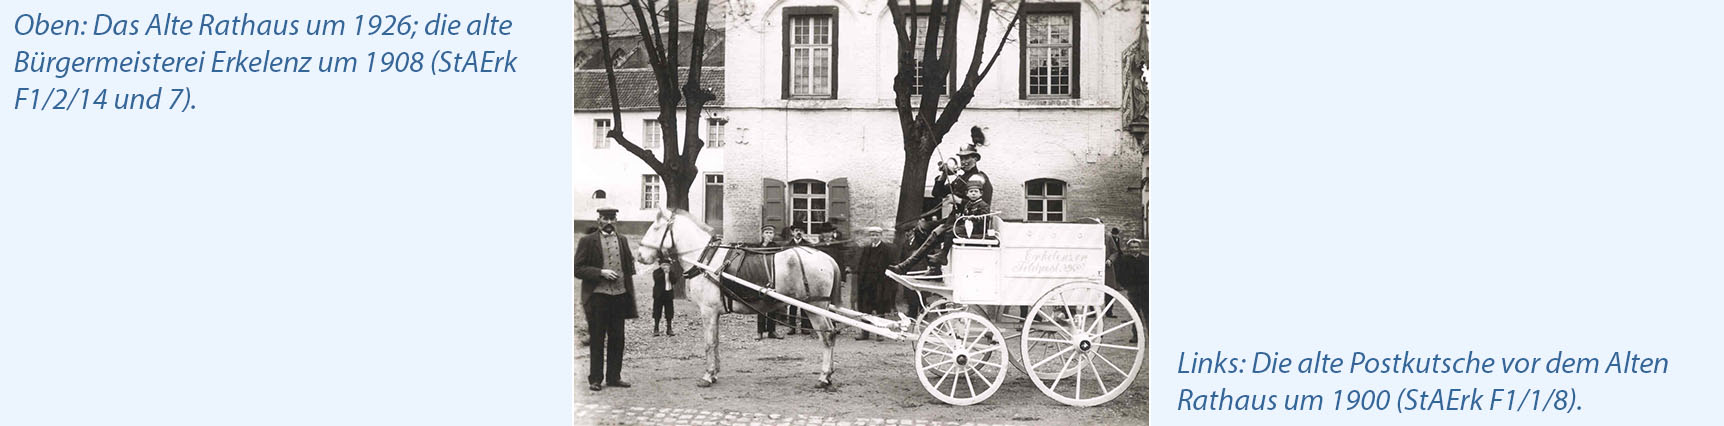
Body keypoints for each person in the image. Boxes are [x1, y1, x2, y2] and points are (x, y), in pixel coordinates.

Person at [573, 206, 638, 391]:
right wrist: (600, 272)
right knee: (597, 338)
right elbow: (577, 269)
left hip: (619, 296)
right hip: (597, 297)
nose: (609, 223)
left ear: (616, 221)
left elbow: (629, 266)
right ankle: (595, 379)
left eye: (612, 219)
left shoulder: (623, 240)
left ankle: (614, 377)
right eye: (605, 218)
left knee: (618, 338)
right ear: (598, 220)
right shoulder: (587, 241)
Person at [851, 226, 898, 340]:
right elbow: (862, 266)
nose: (874, 237)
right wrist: (861, 282)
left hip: (880, 284)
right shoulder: (866, 249)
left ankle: (880, 333)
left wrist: (888, 283)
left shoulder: (886, 249)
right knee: (865, 308)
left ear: (881, 236)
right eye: (872, 235)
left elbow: (891, 266)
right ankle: (865, 333)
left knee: (880, 308)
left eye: (876, 235)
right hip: (867, 284)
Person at [747, 225, 783, 340]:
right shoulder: (758, 246)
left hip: (772, 276)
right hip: (760, 276)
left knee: (772, 304)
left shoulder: (776, 247)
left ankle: (772, 331)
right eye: (766, 233)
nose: (768, 235)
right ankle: (760, 332)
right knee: (761, 304)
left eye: (771, 233)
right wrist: (764, 245)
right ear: (762, 235)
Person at [1114, 239, 1149, 344]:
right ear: (1129, 249)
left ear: (1140, 248)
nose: (1134, 249)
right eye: (1132, 247)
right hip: (1133, 290)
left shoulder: (1147, 260)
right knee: (1135, 314)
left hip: (1146, 290)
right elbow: (1120, 274)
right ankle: (1136, 335)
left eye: (1136, 247)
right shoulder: (1124, 260)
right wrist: (1126, 285)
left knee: (1148, 313)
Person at [650, 257, 677, 337]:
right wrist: (664, 273)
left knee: (669, 312)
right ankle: (656, 328)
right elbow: (657, 280)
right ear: (660, 265)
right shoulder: (656, 272)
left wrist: (668, 274)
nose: (665, 266)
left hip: (668, 294)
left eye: (667, 265)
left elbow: (674, 281)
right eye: (664, 265)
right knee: (657, 312)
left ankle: (669, 328)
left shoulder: (671, 272)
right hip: (659, 295)